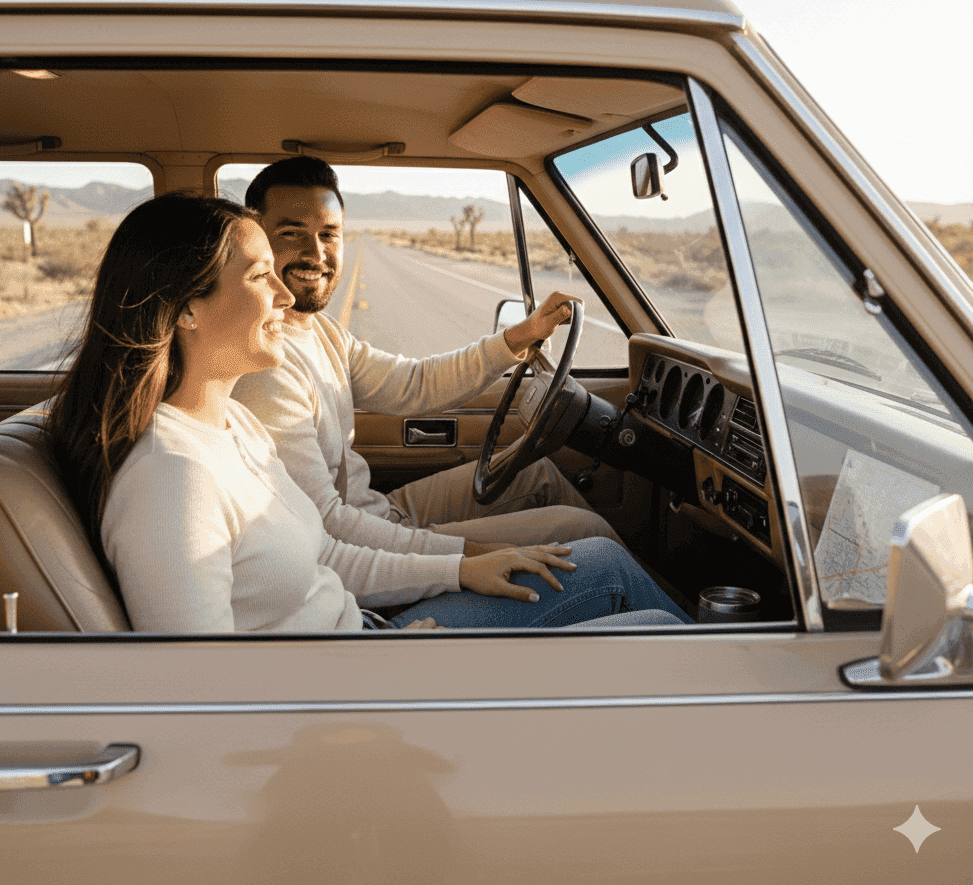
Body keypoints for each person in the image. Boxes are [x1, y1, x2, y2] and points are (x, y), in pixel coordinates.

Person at [46, 192, 691, 633]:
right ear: (184, 309)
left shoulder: (228, 425)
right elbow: (207, 697)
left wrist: (461, 570)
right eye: (257, 276)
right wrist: (393, 669)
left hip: (372, 638)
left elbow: (327, 553)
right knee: (643, 614)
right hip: (362, 685)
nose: (281, 292)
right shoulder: (172, 482)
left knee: (603, 572)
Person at [233, 156, 621, 564]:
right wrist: (474, 557)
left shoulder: (322, 332)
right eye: (292, 233)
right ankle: (683, 624)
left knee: (535, 474)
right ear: (255, 240)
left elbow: (416, 383)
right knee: (583, 532)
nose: (316, 253)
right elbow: (326, 528)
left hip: (376, 512)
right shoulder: (264, 365)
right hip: (360, 548)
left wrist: (522, 334)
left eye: (329, 234)